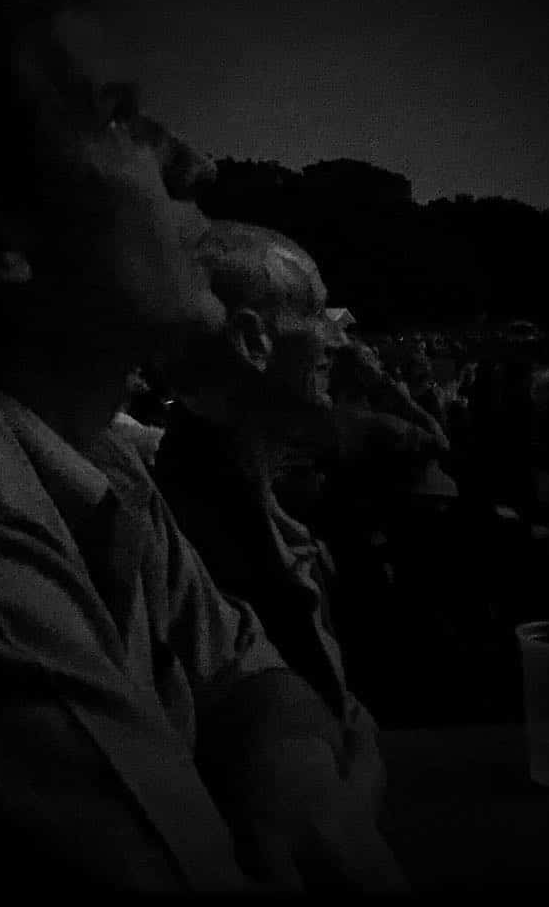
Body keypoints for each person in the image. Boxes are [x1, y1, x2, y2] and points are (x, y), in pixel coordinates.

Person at [0, 0, 406, 894]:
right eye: (121, 118)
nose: (195, 163)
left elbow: (252, 674)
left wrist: (289, 774)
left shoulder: (95, 460)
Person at [139, 221, 382, 764]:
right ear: (254, 341)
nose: (337, 337)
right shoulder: (201, 538)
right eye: (314, 313)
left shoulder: (241, 496)